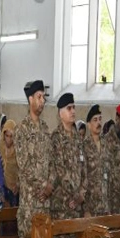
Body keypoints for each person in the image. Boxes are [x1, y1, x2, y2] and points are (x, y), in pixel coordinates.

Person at [12, 80, 51, 238]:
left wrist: (51, 184)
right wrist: (41, 186)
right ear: (30, 100)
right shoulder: (22, 130)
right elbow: (24, 168)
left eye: (43, 96)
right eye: (39, 96)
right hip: (28, 204)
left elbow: (50, 163)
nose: (42, 100)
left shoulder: (46, 128)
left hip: (45, 204)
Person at [50, 93, 87, 227]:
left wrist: (81, 194)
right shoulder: (56, 138)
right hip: (62, 205)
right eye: (69, 108)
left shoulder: (78, 137)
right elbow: (59, 171)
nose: (73, 111)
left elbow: (84, 169)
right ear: (60, 114)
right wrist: (75, 194)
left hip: (77, 207)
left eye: (73, 107)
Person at [82, 104, 105, 216]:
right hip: (91, 205)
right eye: (95, 120)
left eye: (100, 119)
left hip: (106, 204)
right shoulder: (84, 146)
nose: (98, 123)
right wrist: (85, 208)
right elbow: (82, 177)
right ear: (89, 125)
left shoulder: (106, 144)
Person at [0, 118, 19, 206]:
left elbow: (22, 169)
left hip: (14, 189)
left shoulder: (18, 151)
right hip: (1, 188)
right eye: (7, 136)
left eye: (11, 136)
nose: (9, 139)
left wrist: (18, 184)